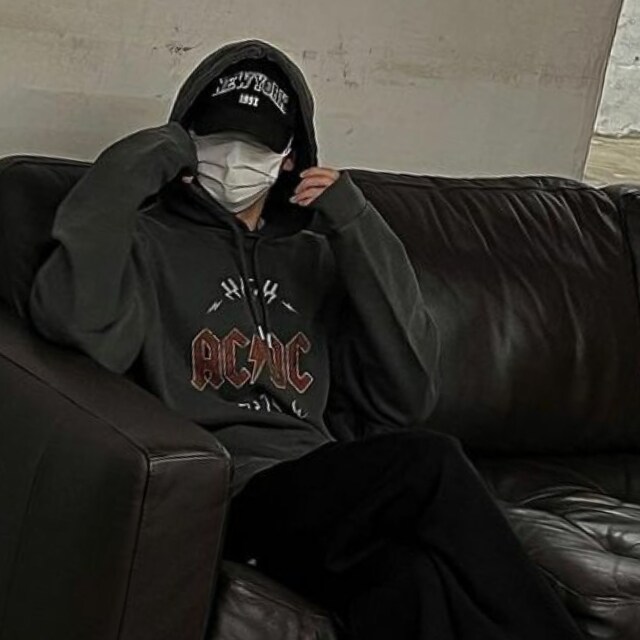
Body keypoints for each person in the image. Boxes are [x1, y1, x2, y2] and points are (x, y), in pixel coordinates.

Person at [27, 38, 585, 640]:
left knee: (410, 580)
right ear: (187, 142)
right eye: (216, 139)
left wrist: (356, 224)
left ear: (288, 159)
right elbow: (73, 320)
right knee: (433, 462)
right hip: (231, 493)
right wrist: (145, 157)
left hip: (318, 487)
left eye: (256, 146)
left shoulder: (315, 258)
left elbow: (409, 394)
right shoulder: (147, 243)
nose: (233, 159)